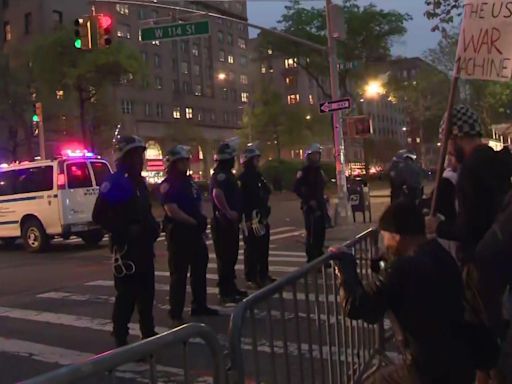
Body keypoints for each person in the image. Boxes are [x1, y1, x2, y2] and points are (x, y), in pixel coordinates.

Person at [335, 201, 475, 383]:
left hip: (427, 369)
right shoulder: (440, 254)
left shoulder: (402, 269)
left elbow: (358, 307)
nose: (385, 244)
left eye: (385, 237)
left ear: (397, 236)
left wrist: (346, 267)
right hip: (459, 361)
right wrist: (385, 264)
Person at [92, 135, 160, 348]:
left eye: (141, 155)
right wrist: (125, 230)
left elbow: (145, 211)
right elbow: (99, 215)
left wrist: (153, 226)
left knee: (147, 294)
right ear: (125, 157)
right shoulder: (116, 182)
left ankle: (148, 333)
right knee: (127, 297)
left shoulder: (138, 182)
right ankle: (120, 337)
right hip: (127, 251)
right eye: (135, 155)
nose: (140, 160)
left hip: (144, 248)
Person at [160, 145, 219, 325]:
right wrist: (192, 221)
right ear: (173, 163)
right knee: (179, 274)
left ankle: (199, 305)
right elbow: (171, 210)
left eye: (186, 160)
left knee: (199, 269)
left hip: (194, 233)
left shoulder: (189, 182)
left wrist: (199, 221)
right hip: (179, 233)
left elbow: (196, 203)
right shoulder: (168, 183)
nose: (186, 164)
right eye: (182, 161)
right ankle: (175, 311)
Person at [210, 142, 247, 304]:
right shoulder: (221, 175)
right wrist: (228, 211)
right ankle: (225, 291)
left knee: (230, 257)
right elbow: (217, 193)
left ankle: (231, 287)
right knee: (225, 258)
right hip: (223, 222)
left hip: (229, 222)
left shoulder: (227, 174)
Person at [238, 144, 275, 289]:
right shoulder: (243, 178)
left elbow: (267, 190)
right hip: (250, 217)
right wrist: (245, 219)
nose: (257, 162)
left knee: (263, 247)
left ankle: (263, 274)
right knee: (252, 248)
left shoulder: (258, 176)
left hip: (261, 216)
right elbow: (241, 200)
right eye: (255, 159)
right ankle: (252, 276)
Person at [293, 143, 328, 263]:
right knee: (312, 233)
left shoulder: (319, 170)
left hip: (320, 204)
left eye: (318, 154)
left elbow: (322, 185)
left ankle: (319, 255)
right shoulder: (304, 171)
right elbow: (297, 188)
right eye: (314, 154)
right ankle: (312, 258)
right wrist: (308, 200)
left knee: (321, 232)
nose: (317, 157)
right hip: (310, 207)